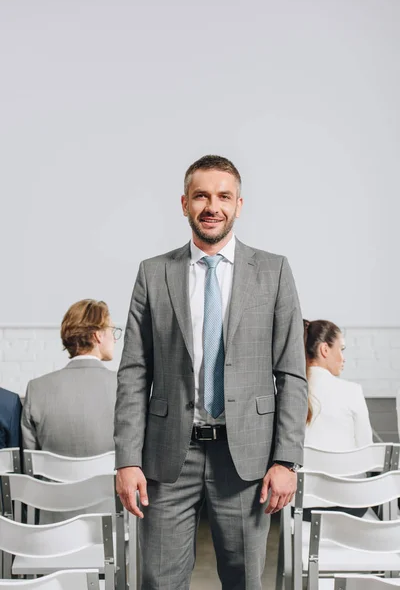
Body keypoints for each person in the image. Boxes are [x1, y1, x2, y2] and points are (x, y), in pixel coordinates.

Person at [114, 154, 308, 590]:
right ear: (184, 203)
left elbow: (292, 373)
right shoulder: (153, 273)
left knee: (243, 581)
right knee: (158, 581)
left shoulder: (274, 272)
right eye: (201, 195)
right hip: (166, 459)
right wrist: (127, 459)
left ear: (240, 204)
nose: (212, 206)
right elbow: (133, 372)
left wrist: (287, 459)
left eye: (223, 196)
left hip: (247, 460)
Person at [21, 299, 120, 456]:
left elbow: (29, 464)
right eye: (112, 331)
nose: (115, 339)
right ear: (98, 335)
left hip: (52, 481)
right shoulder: (124, 386)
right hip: (109, 481)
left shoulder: (36, 389)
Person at [304, 319, 373, 451]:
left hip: (303, 472)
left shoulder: (288, 392)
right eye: (341, 349)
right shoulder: (352, 391)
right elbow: (366, 450)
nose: (343, 358)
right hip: (348, 471)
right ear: (324, 349)